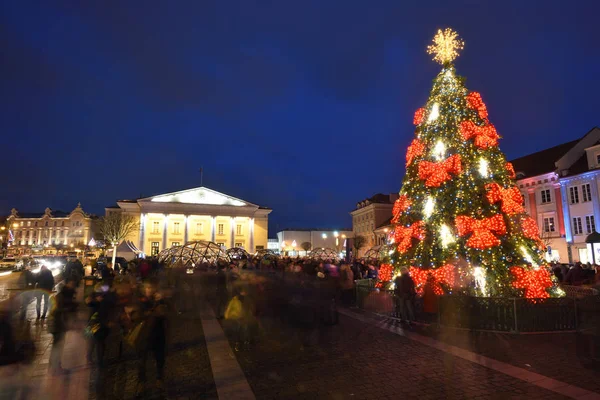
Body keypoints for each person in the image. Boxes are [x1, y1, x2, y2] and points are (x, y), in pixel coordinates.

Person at [136, 281, 168, 393]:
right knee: (142, 361)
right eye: (147, 287)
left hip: (158, 334)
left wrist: (160, 303)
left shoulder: (160, 300)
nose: (149, 290)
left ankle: (159, 379)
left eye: (151, 288)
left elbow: (164, 313)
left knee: (159, 359)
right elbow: (137, 315)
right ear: (144, 289)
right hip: (143, 335)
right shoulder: (140, 301)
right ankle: (141, 382)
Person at [48, 278, 78, 375]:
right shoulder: (60, 296)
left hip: (59, 324)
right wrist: (68, 309)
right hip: (57, 325)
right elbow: (56, 311)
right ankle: (56, 368)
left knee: (57, 345)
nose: (73, 286)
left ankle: (54, 366)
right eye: (71, 284)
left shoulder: (64, 295)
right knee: (57, 346)